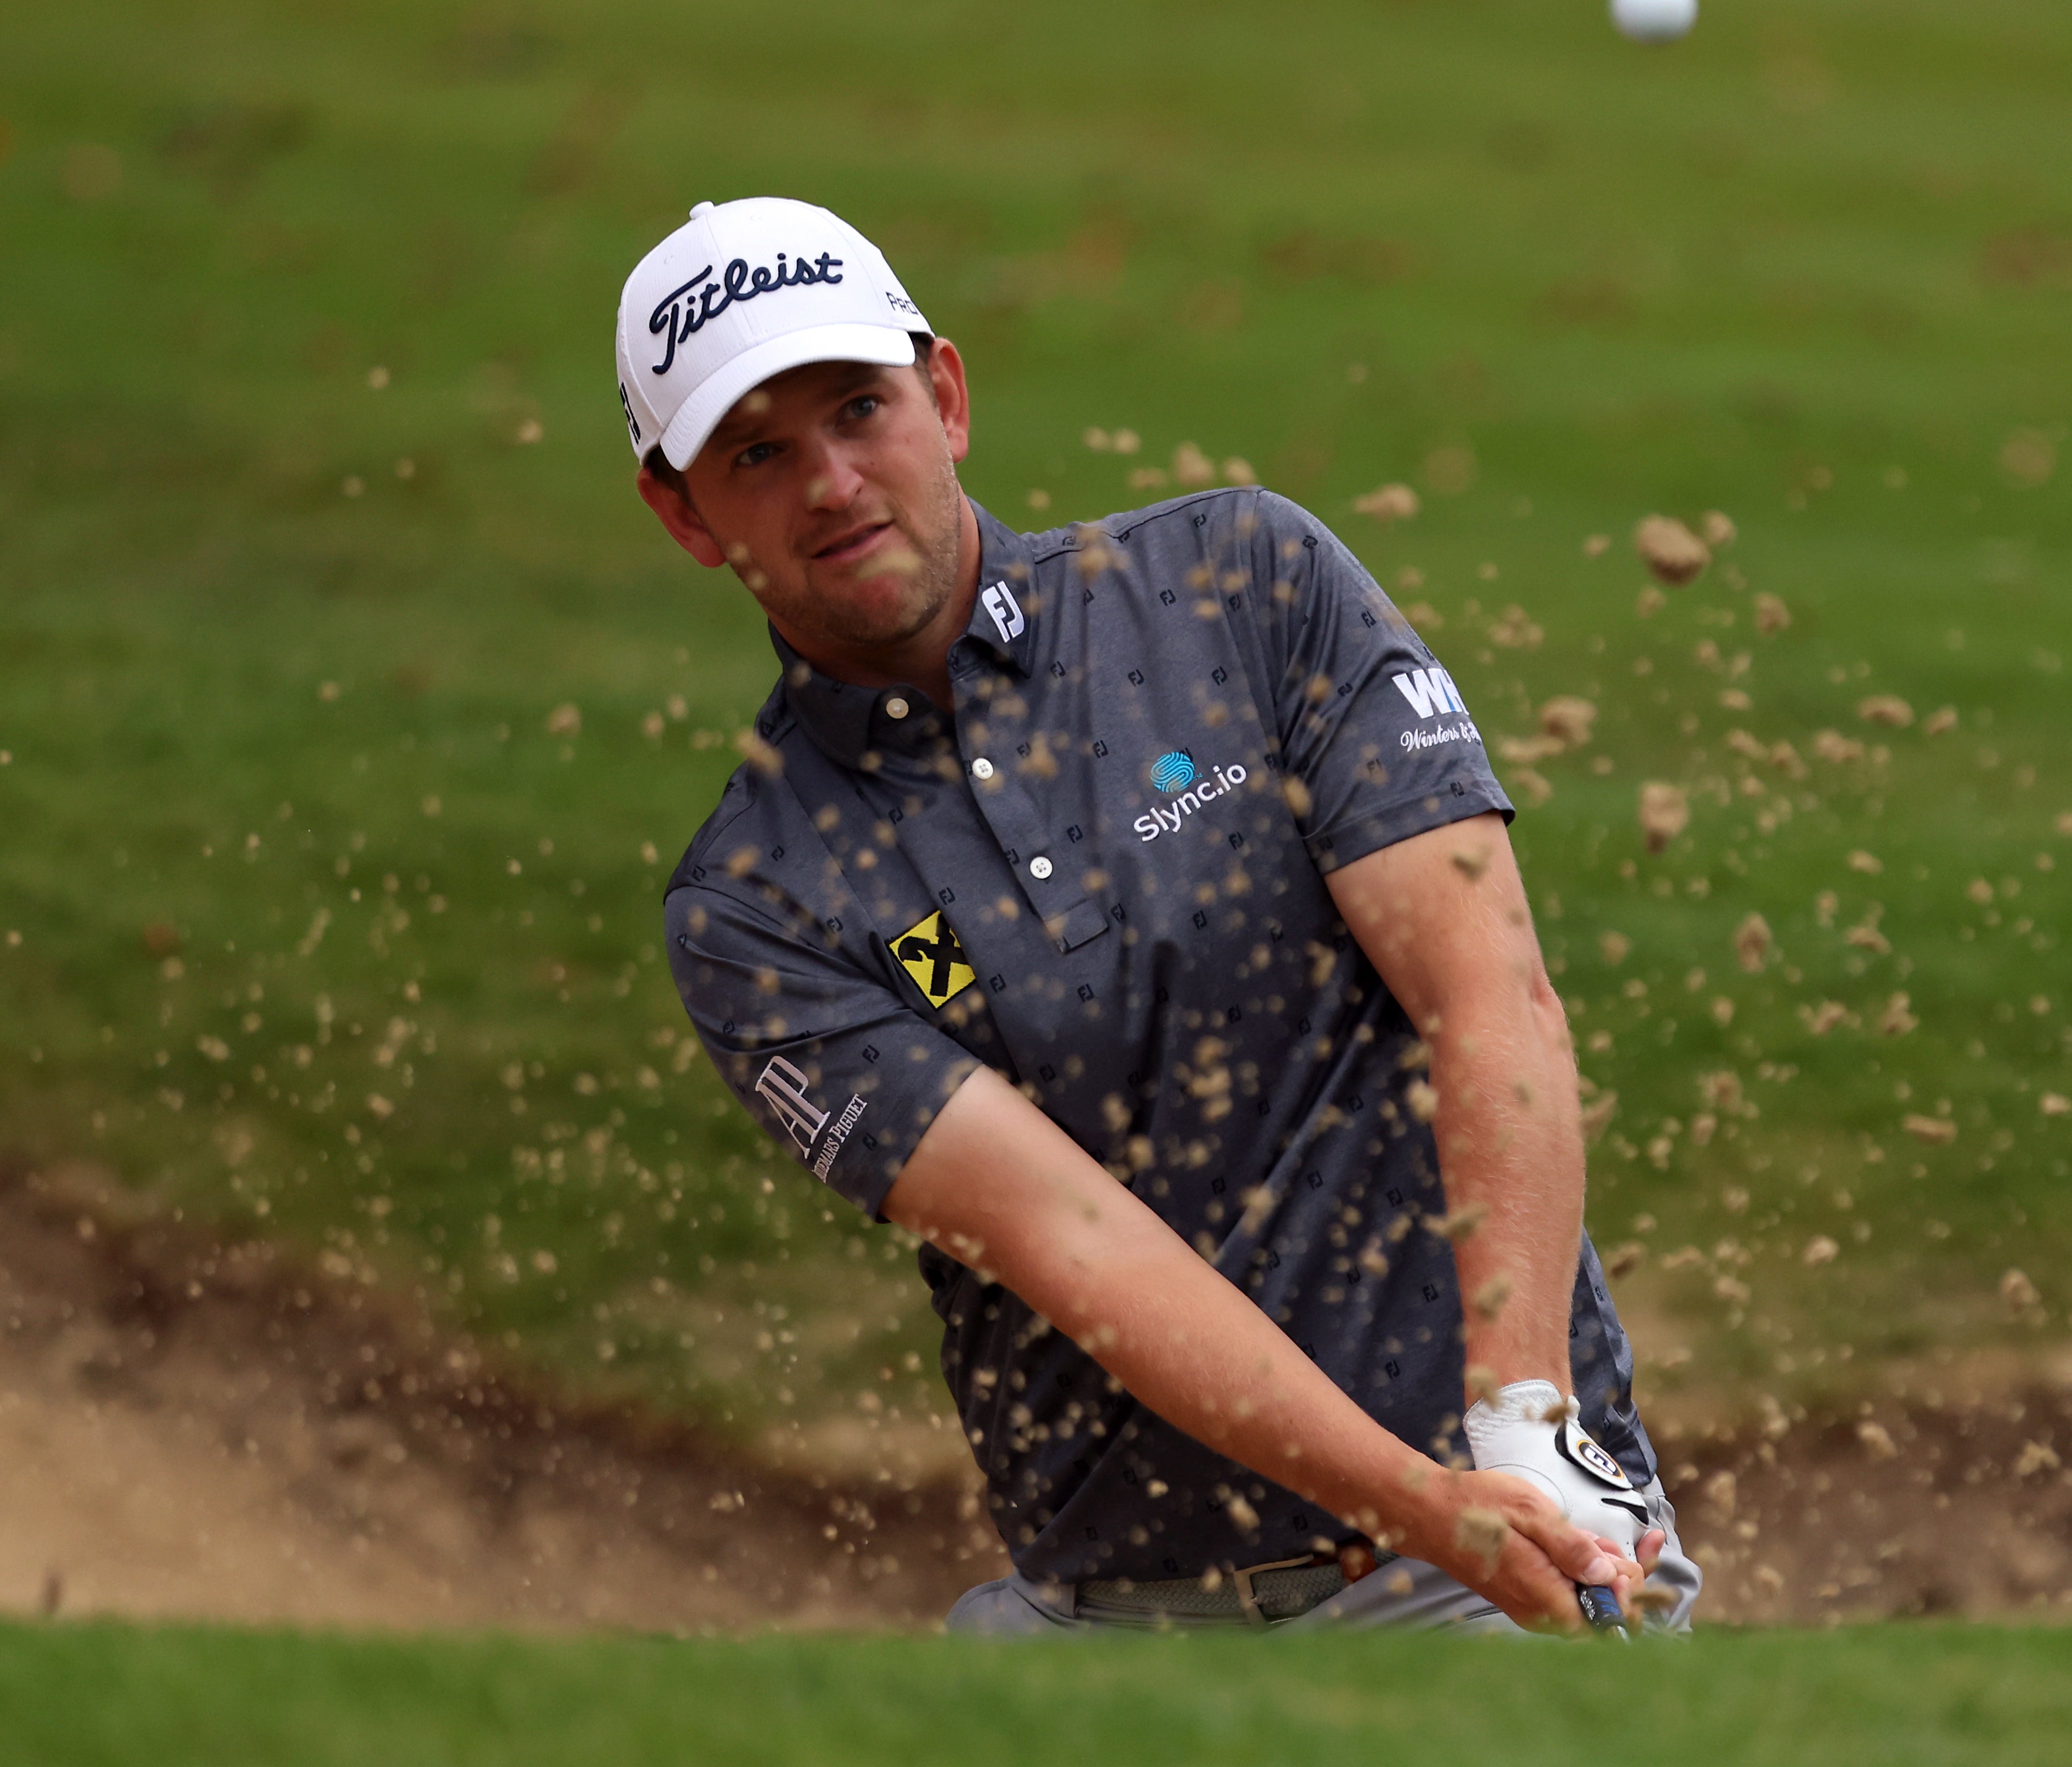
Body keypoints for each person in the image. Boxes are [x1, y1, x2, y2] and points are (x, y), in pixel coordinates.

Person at [620, 196, 1701, 1634]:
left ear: (944, 398)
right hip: (1121, 1618)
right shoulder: (755, 903)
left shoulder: (1239, 583)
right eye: (758, 451)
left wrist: (1516, 1435)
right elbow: (1080, 1245)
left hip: (1491, 1551)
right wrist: (1427, 1499)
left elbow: (1487, 993)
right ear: (686, 513)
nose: (829, 481)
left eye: (858, 409)